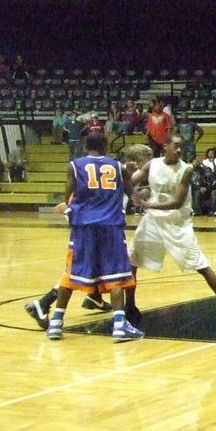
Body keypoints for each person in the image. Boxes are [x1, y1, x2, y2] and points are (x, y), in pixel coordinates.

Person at [127, 135, 216, 327]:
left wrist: (147, 204)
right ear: (165, 146)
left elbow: (177, 202)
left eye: (181, 147)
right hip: (153, 221)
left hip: (178, 223)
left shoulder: (186, 169)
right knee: (132, 261)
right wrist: (125, 174)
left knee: (201, 265)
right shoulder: (152, 164)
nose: (179, 150)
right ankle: (130, 307)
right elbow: (131, 181)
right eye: (175, 146)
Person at [45, 132, 142, 341]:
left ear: (85, 147)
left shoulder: (74, 165)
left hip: (84, 227)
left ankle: (55, 323)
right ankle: (119, 326)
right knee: (116, 276)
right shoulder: (117, 166)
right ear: (106, 146)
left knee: (71, 274)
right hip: (110, 226)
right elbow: (130, 191)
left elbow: (68, 195)